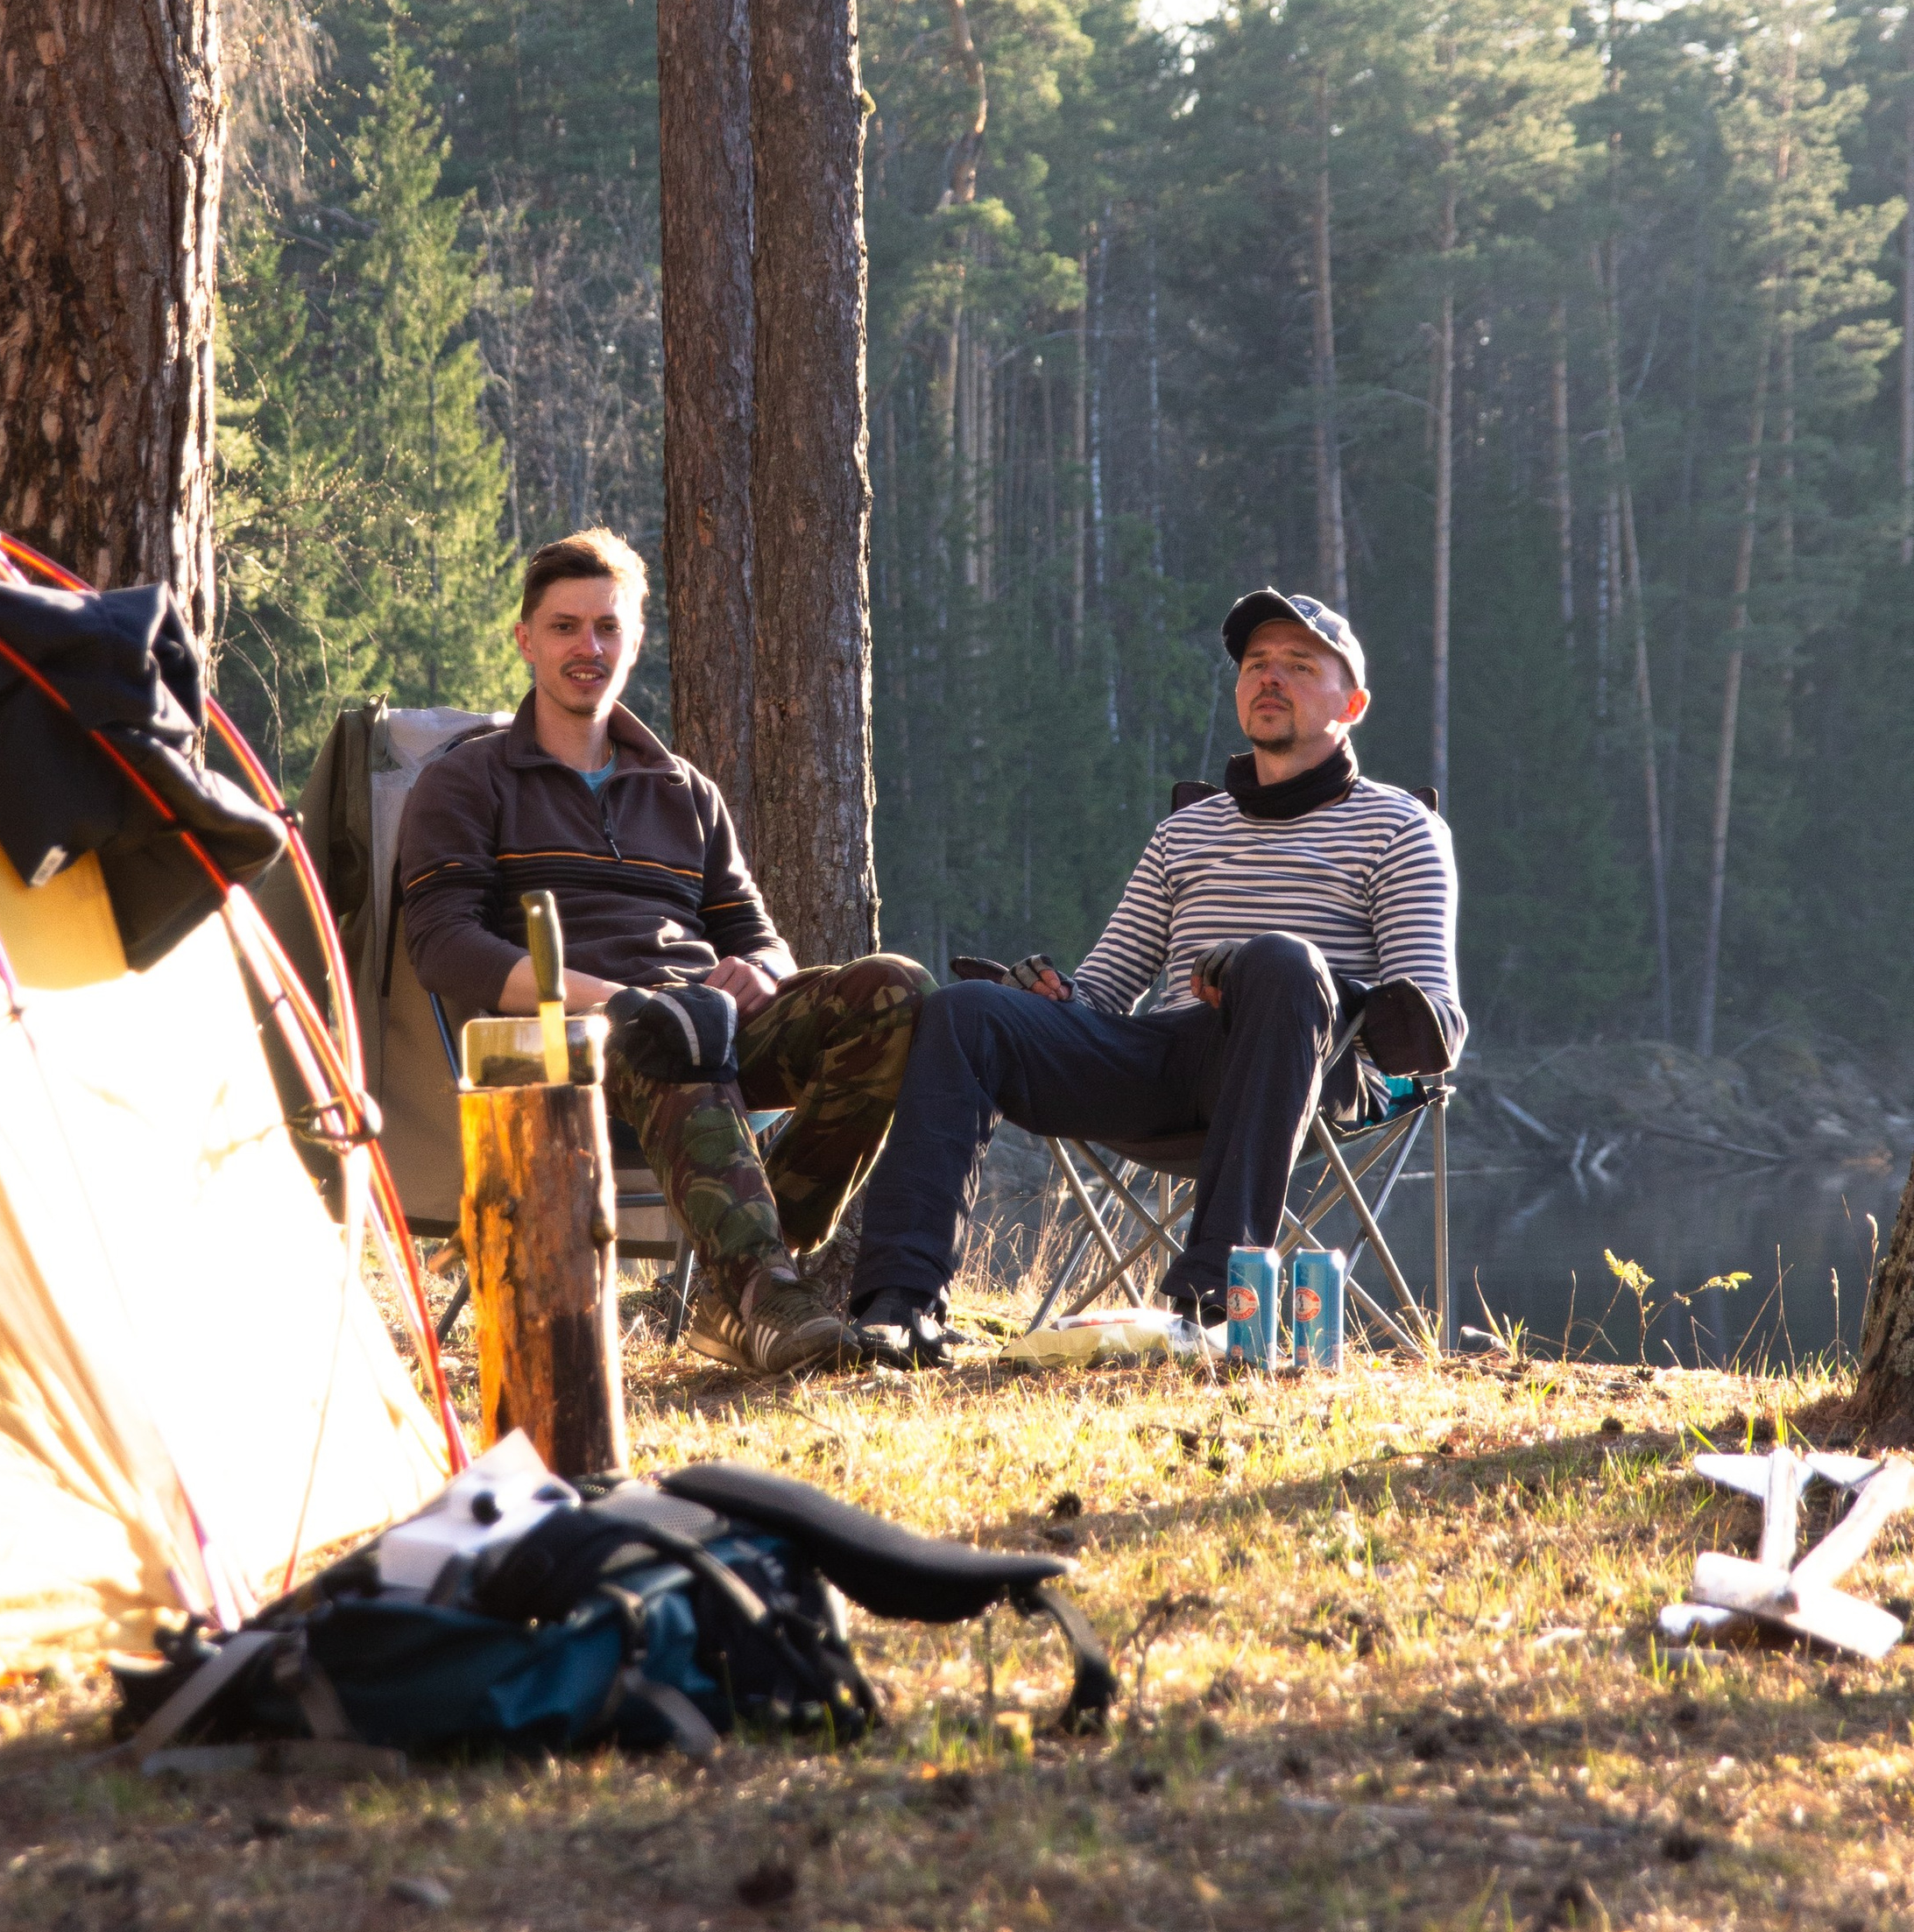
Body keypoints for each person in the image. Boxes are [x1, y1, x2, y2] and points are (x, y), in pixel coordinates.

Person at [846, 587, 1466, 1362]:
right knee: (966, 1010)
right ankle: (898, 1304)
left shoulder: (1401, 828)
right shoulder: (1185, 832)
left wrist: (1290, 981)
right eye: (1257, 663)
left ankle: (1210, 1305)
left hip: (1315, 1066)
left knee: (1279, 962)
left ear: (1354, 704)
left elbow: (1433, 1021)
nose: (1270, 677)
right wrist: (1050, 997)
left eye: (1300, 665)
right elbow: (1106, 992)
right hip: (1170, 1059)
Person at [398, 526, 932, 1378]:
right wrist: (611, 1001)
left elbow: (756, 933)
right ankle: (768, 1297)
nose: (588, 646)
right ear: (525, 639)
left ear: (635, 640)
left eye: (608, 627)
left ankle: (747, 1290)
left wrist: (761, 975)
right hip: (558, 1045)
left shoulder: (686, 792)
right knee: (666, 1028)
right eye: (566, 626)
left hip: (706, 1023)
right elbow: (442, 944)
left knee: (897, 995)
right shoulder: (468, 781)